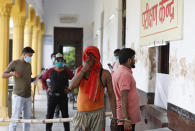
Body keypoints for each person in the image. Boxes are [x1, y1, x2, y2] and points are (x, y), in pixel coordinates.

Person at [67, 46, 117, 131]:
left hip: (98, 114)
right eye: (88, 56)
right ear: (84, 57)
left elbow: (111, 95)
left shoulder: (105, 73)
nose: (90, 59)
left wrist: (114, 116)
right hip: (81, 114)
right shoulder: (80, 71)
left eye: (93, 56)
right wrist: (84, 70)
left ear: (97, 57)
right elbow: (71, 86)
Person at [2, 47, 35, 131]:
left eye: (31, 56)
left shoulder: (29, 65)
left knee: (27, 119)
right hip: (18, 95)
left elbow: (27, 78)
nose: (30, 58)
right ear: (23, 54)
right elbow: (3, 75)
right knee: (15, 118)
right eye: (29, 56)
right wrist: (13, 73)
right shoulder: (15, 63)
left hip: (28, 95)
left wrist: (35, 78)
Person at [41, 53, 74, 131]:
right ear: (54, 62)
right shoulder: (50, 71)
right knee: (49, 115)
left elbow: (74, 79)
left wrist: (69, 89)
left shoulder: (67, 70)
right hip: (52, 96)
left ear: (63, 61)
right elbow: (43, 79)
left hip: (63, 97)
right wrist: (46, 88)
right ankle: (48, 129)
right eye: (58, 60)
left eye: (61, 60)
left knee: (65, 116)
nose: (59, 61)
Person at [112, 48, 141, 131]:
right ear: (129, 60)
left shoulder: (120, 71)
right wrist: (126, 119)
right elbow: (123, 98)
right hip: (126, 120)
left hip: (125, 117)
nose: (134, 60)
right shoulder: (124, 74)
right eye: (133, 58)